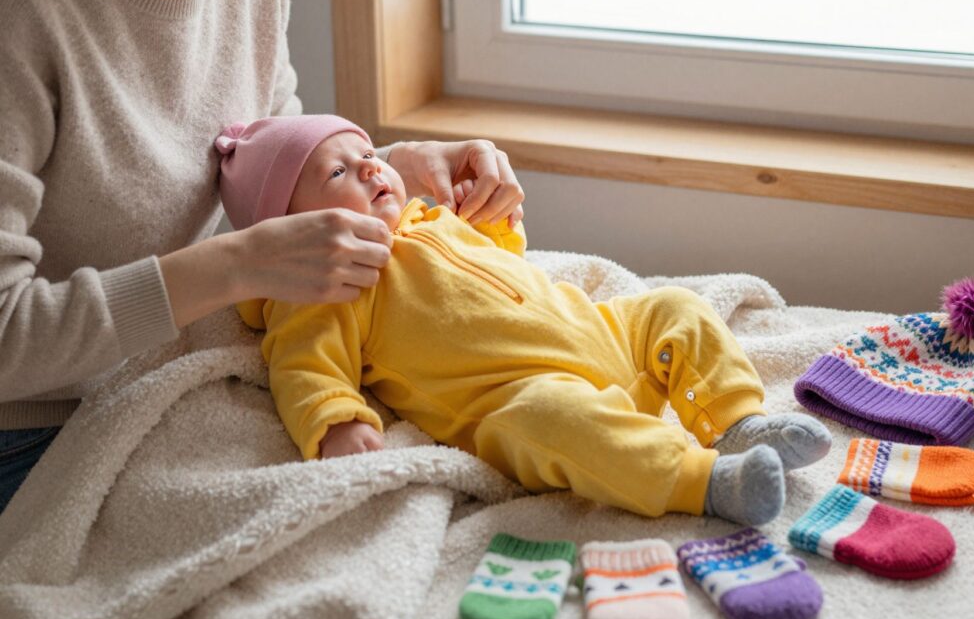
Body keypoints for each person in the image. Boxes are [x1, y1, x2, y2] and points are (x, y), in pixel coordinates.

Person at [0, 0, 525, 515]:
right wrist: (232, 266)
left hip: (157, 385)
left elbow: (265, 175)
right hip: (29, 437)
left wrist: (389, 171)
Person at [218, 115, 833, 525]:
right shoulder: (323, 286)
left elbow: (504, 262)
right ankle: (707, 482)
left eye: (366, 154)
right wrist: (335, 423)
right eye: (338, 172)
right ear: (292, 232)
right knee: (554, 422)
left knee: (675, 307)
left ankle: (738, 422)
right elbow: (303, 365)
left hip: (599, 331)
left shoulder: (427, 219)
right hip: (523, 390)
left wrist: (493, 224)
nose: (373, 168)